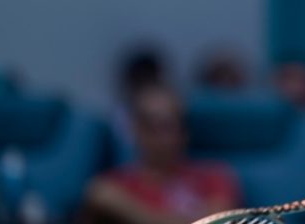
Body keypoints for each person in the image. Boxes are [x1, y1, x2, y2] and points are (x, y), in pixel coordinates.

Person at [85, 84, 243, 224]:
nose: (163, 138)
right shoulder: (111, 188)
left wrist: (137, 215)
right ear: (135, 130)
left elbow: (218, 220)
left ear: (184, 132)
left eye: (170, 126)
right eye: (152, 126)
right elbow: (99, 195)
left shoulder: (214, 176)